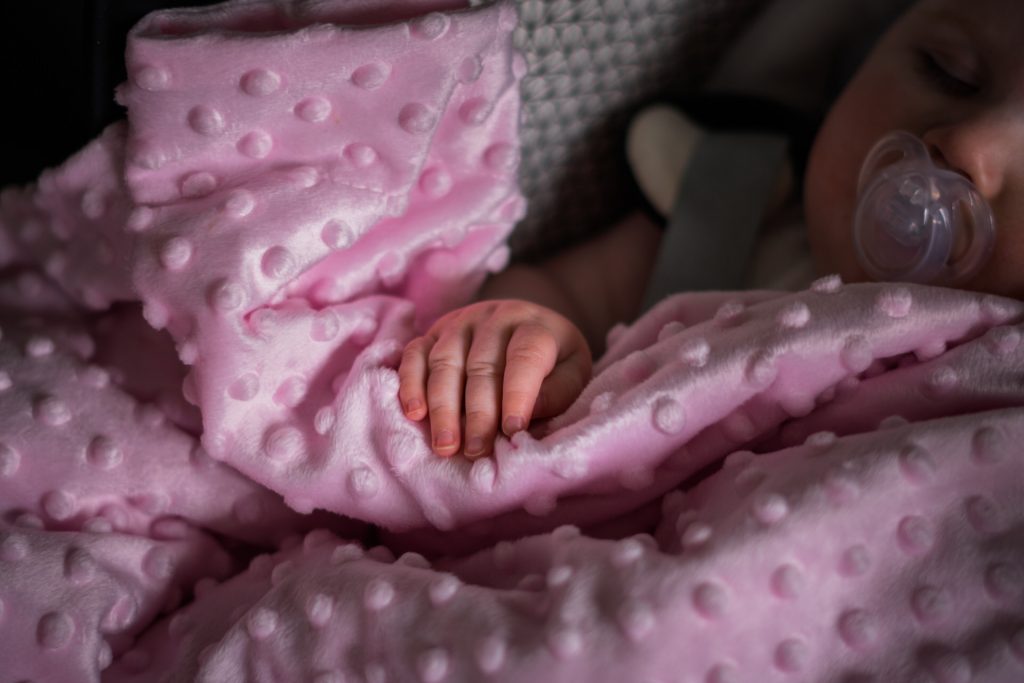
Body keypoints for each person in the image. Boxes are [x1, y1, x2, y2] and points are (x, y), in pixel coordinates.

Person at [397, 0, 1024, 459]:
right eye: (948, 71)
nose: (967, 147)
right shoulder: (737, 202)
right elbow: (568, 294)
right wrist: (522, 329)